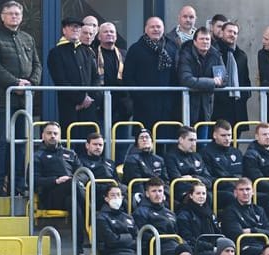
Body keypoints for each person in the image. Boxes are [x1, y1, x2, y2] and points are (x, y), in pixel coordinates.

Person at [0, 0, 41, 196]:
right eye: (10, 13)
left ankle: (18, 184)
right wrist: (16, 83)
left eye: (17, 13)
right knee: (1, 142)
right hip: (1, 100)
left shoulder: (28, 38)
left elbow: (37, 65)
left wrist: (30, 84)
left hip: (23, 100)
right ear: (2, 17)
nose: (14, 16)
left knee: (21, 142)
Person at [34, 122, 86, 255]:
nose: (52, 136)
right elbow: (33, 180)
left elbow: (83, 174)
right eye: (49, 133)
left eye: (55, 133)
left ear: (60, 136)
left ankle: (78, 246)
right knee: (71, 184)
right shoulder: (38, 155)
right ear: (43, 136)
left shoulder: (70, 153)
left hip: (72, 193)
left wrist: (75, 180)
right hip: (50, 195)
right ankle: (90, 209)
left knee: (74, 204)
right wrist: (55, 181)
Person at [47, 17, 100, 145]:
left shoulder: (87, 51)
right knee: (71, 141)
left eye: (78, 27)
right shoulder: (56, 53)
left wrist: (90, 98)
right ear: (64, 30)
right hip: (70, 106)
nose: (76, 30)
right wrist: (80, 98)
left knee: (89, 142)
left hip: (89, 106)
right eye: (72, 27)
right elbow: (60, 80)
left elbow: (96, 78)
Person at [123, 17, 178, 132]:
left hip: (166, 105)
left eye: (158, 27)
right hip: (143, 104)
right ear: (146, 29)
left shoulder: (171, 48)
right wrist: (138, 96)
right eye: (152, 27)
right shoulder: (136, 49)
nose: (155, 29)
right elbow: (128, 76)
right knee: (144, 140)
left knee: (164, 140)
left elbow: (176, 75)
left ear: (163, 29)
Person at [178, 27, 225, 139]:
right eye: (202, 39)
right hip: (186, 106)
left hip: (205, 108)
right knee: (188, 143)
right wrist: (212, 82)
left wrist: (203, 83)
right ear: (195, 41)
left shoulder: (215, 55)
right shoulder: (185, 54)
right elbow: (186, 80)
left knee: (203, 144)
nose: (205, 42)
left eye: (207, 39)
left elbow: (224, 79)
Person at [95, 22, 132, 164]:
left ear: (116, 36)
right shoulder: (93, 54)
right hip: (101, 107)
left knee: (122, 144)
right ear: (99, 36)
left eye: (112, 32)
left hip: (122, 107)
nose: (109, 34)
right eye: (105, 32)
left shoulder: (123, 54)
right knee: (101, 143)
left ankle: (119, 174)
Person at [219, 177, 269, 255]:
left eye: (248, 189)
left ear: (253, 192)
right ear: (235, 193)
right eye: (241, 190)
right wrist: (261, 233)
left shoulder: (259, 210)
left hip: (263, 247)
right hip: (244, 249)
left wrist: (252, 230)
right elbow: (237, 234)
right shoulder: (230, 211)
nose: (245, 193)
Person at [211, 22, 251, 132]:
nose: (232, 34)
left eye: (235, 32)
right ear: (222, 32)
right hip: (218, 106)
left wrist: (244, 96)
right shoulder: (213, 52)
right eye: (229, 31)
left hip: (237, 106)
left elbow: (246, 80)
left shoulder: (241, 55)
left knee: (236, 140)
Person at [132, 177, 178, 255]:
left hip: (173, 245)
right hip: (154, 249)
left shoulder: (170, 213)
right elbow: (142, 236)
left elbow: (177, 233)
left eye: (160, 191)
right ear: (147, 194)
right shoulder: (141, 212)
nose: (158, 194)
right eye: (154, 191)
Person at [176, 182, 221, 255]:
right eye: (198, 193)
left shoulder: (210, 213)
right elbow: (188, 239)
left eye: (203, 193)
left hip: (212, 248)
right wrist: (211, 247)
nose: (201, 196)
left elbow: (218, 233)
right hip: (195, 251)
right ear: (191, 195)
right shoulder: (184, 214)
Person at [200, 119, 243, 209]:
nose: (227, 139)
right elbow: (208, 179)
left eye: (229, 135)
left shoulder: (237, 152)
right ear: (215, 135)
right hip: (218, 190)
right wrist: (231, 182)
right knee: (232, 196)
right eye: (223, 135)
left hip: (237, 188)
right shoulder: (206, 153)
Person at [164, 126, 213, 201]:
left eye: (195, 140)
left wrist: (193, 177)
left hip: (201, 191)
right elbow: (178, 183)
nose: (194, 144)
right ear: (181, 140)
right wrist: (198, 185)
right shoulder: (171, 157)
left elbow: (209, 181)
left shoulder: (197, 156)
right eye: (191, 140)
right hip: (183, 194)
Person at [79, 132, 124, 209]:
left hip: (112, 194)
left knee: (125, 198)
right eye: (95, 144)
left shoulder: (110, 162)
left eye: (100, 145)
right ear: (87, 145)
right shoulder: (80, 161)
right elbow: (84, 184)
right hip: (95, 196)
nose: (98, 147)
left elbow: (117, 181)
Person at [122, 128, 169, 195]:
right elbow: (137, 184)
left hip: (159, 195)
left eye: (147, 137)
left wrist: (165, 194)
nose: (144, 139)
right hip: (142, 195)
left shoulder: (159, 159)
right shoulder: (131, 159)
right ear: (137, 143)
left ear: (152, 141)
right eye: (141, 138)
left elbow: (166, 181)